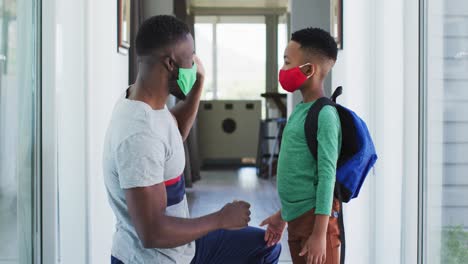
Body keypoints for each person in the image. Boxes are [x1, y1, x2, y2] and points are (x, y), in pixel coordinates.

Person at [102, 15, 281, 264]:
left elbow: (172, 138)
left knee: (264, 247)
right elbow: (152, 233)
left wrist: (198, 85)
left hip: (182, 250)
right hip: (154, 258)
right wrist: (220, 218)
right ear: (171, 63)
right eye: (191, 57)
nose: (195, 64)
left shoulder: (147, 101)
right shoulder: (138, 134)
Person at [260, 28, 342, 264]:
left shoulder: (325, 114)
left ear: (309, 69)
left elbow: (327, 176)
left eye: (287, 62)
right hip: (298, 221)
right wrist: (282, 216)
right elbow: (300, 173)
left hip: (316, 224)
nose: (283, 70)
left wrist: (319, 235)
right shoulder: (299, 111)